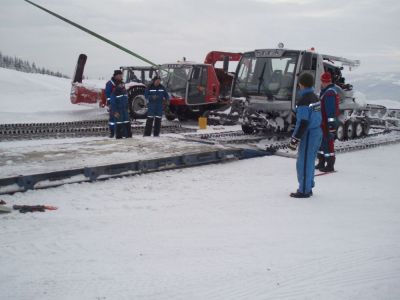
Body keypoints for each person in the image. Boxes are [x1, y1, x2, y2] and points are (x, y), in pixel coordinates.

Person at [288, 73, 322, 198]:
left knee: (303, 162)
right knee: (310, 161)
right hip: (316, 131)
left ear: (301, 84)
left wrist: (294, 139)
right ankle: (309, 185)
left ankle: (304, 190)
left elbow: (303, 122)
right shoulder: (315, 97)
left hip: (309, 134)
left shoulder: (303, 100)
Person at [315, 72, 340, 172]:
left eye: (322, 81)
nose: (321, 83)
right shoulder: (326, 91)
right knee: (321, 144)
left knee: (328, 144)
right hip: (322, 123)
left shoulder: (329, 93)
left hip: (326, 124)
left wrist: (331, 126)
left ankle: (330, 165)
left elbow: (331, 112)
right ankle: (321, 162)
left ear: (324, 81)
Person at [105, 70, 124, 138]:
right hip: (113, 104)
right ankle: (112, 132)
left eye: (121, 75)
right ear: (115, 76)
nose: (121, 76)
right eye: (119, 75)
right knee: (112, 119)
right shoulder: (110, 83)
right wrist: (110, 104)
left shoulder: (122, 83)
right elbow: (107, 94)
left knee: (120, 118)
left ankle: (119, 132)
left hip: (121, 104)